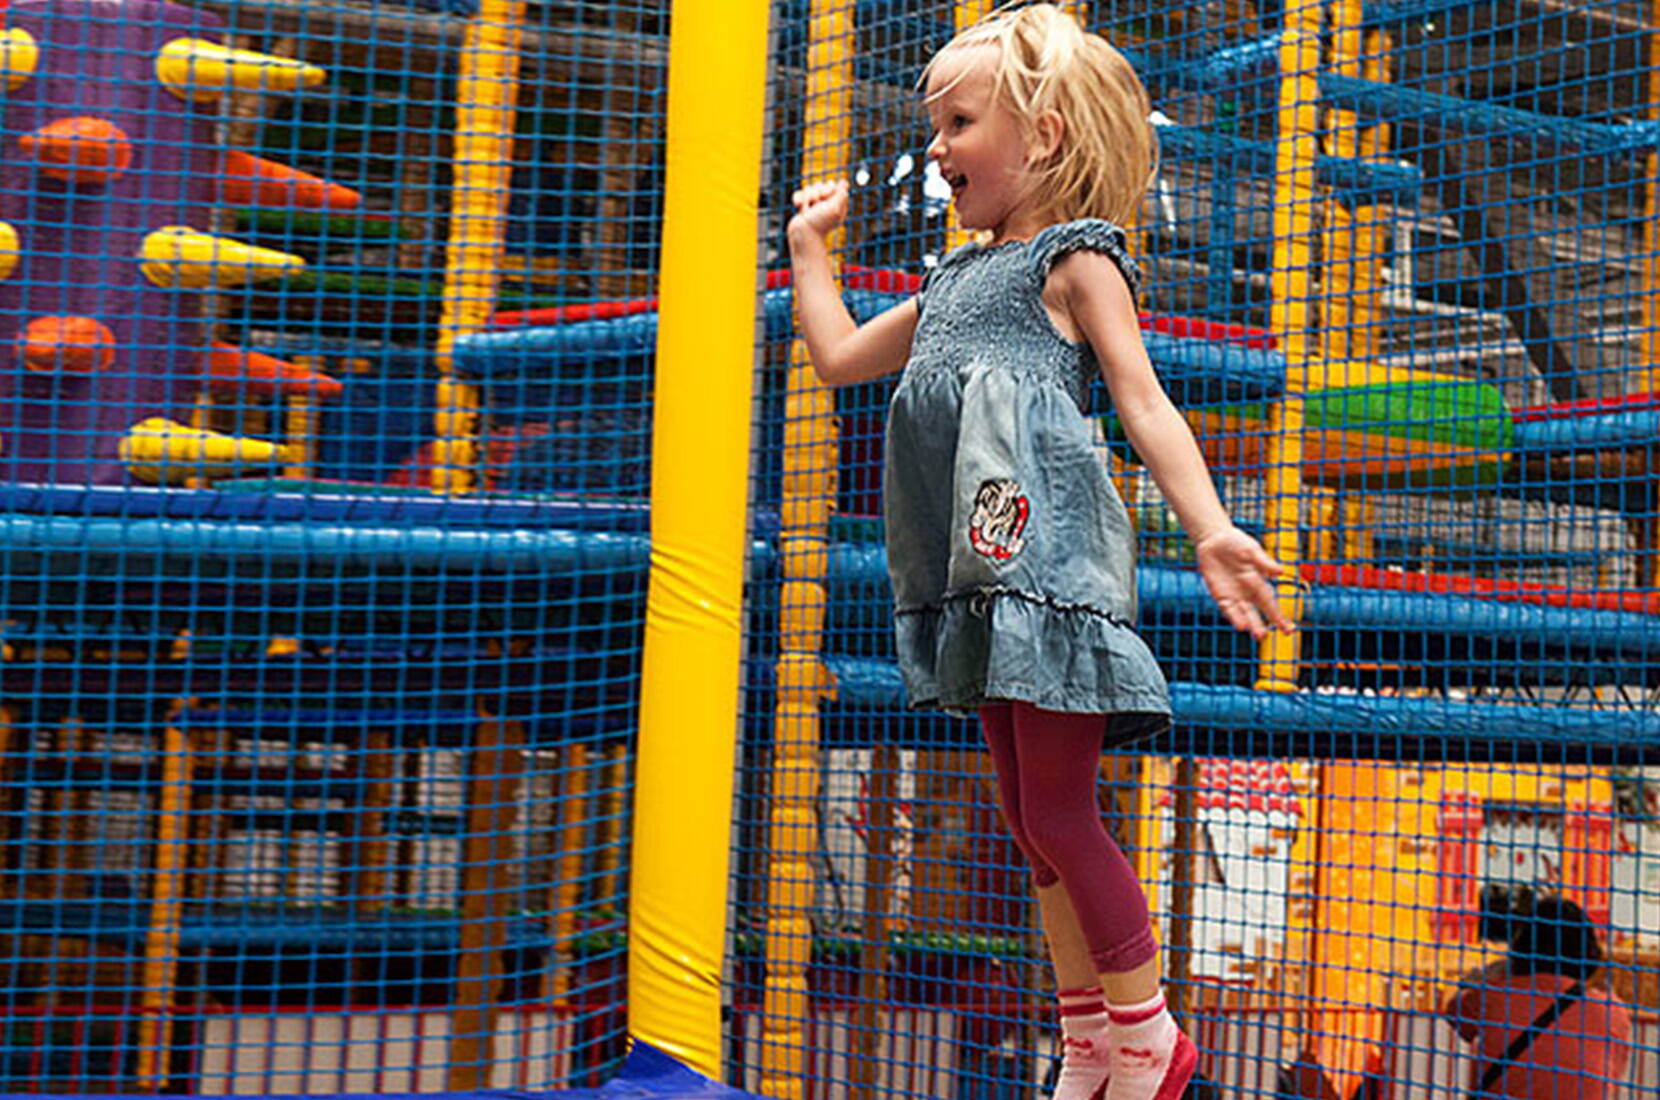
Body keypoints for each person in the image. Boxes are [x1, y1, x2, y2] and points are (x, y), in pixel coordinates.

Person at [785, 6, 1292, 1100]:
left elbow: (1142, 401)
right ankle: (1091, 1042)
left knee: (1060, 808)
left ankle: (1148, 1035)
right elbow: (832, 355)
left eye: (958, 122)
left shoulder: (1075, 260)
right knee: (1025, 814)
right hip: (973, 580)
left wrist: (1207, 523)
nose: (934, 147)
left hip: (1049, 574)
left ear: (1046, 137)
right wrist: (807, 250)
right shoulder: (953, 284)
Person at [1446, 895, 1632, 1100]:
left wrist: (1488, 977)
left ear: (1522, 947)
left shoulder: (1494, 997)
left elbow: (1455, 1015)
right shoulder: (1612, 1012)